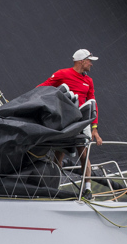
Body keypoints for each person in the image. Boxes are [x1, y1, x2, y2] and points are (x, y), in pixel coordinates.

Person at [39, 48, 102, 179]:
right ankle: (55, 187)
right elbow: (42, 88)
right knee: (59, 153)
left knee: (84, 155)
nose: (91, 64)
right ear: (82, 61)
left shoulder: (89, 81)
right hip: (65, 121)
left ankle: (87, 189)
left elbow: (92, 103)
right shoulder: (62, 74)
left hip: (81, 122)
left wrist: (94, 128)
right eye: (89, 61)